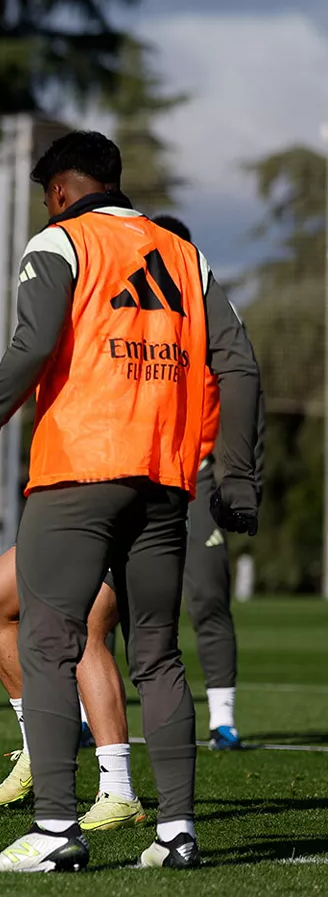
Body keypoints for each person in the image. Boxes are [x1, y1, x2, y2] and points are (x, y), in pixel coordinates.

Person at [0, 131, 260, 872]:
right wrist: (239, 476)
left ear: (58, 191)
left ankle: (56, 833)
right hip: (167, 481)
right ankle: (178, 833)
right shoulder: (188, 255)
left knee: (48, 643)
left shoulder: (58, 243)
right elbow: (239, 365)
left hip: (80, 471)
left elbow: (30, 350)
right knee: (157, 654)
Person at [152, 214, 255, 751]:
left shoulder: (212, 316)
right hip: (136, 477)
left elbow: (239, 388)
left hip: (195, 479)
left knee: (209, 597)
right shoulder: (127, 313)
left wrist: (231, 475)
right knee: (109, 603)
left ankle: (223, 719)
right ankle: (87, 716)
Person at [0, 550, 147, 832]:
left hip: (113, 521)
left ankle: (118, 789)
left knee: (84, 627)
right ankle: (37, 744)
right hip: (58, 516)